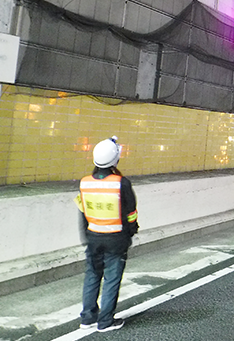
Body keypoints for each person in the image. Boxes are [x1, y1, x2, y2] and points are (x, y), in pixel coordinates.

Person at [74, 136, 139, 332]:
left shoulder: (85, 183)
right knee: (111, 279)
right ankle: (105, 321)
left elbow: (83, 212)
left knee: (92, 276)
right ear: (115, 160)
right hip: (116, 239)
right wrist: (132, 231)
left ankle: (87, 318)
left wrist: (86, 235)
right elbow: (131, 213)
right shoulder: (121, 183)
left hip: (93, 237)